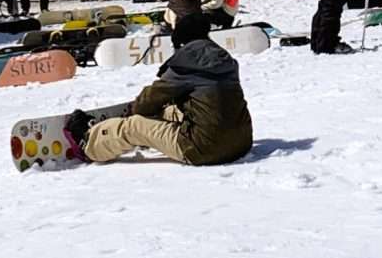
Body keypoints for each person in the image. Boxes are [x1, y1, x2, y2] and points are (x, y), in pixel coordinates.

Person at [66, 39, 254, 167]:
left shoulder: (185, 66)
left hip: (203, 149)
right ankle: (151, 133)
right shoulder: (225, 62)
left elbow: (146, 103)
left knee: (134, 126)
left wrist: (137, 111)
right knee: (171, 111)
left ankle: (88, 143)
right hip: (241, 141)